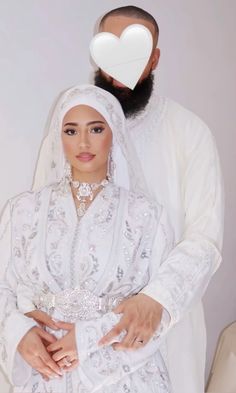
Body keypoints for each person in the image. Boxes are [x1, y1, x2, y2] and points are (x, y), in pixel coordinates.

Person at [0, 84, 174, 392]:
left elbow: (158, 312)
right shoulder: (23, 211)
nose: (83, 141)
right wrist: (19, 333)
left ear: (114, 133)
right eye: (70, 131)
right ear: (58, 137)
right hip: (45, 370)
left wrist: (91, 343)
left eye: (95, 129)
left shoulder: (147, 215)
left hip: (122, 375)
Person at [94, 5, 224, 393]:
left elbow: (205, 238)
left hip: (166, 333)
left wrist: (155, 300)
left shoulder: (189, 132)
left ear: (154, 58)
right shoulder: (67, 134)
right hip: (82, 335)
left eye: (134, 50)